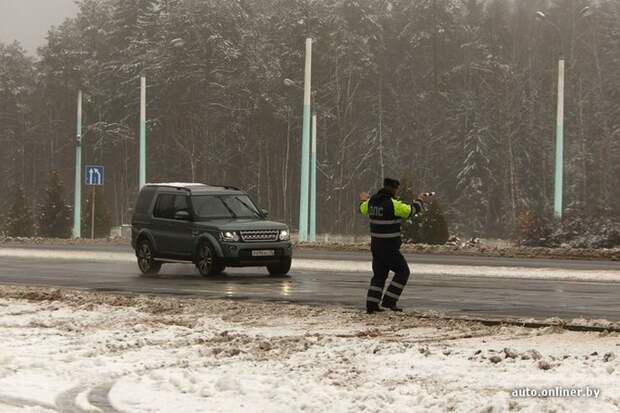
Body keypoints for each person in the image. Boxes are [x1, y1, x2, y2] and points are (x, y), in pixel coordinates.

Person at [358, 178, 427, 314]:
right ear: (394, 189)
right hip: (389, 247)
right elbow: (410, 211)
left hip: (376, 246)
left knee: (379, 275)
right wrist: (420, 200)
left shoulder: (371, 202)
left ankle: (371, 305)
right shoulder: (393, 204)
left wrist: (363, 199)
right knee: (403, 272)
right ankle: (389, 302)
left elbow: (361, 209)